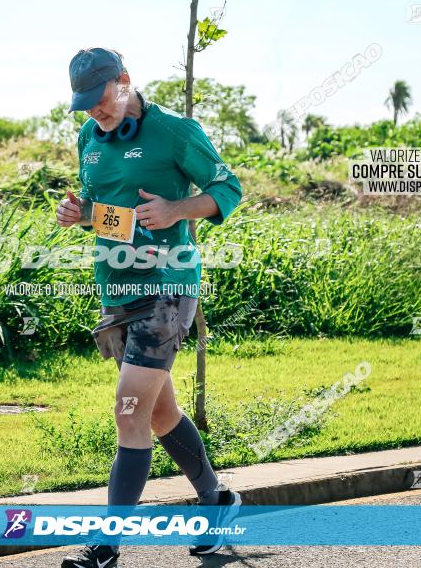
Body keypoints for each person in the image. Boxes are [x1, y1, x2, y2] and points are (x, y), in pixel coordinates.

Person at [55, 47, 243, 568]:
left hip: (169, 286)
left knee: (128, 409)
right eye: (85, 104)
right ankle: (218, 502)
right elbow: (110, 215)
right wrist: (80, 213)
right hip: (116, 293)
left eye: (101, 99)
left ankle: (107, 545)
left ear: (125, 81)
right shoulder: (89, 138)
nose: (96, 111)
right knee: (158, 412)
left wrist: (176, 208)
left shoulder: (177, 131)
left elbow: (229, 189)